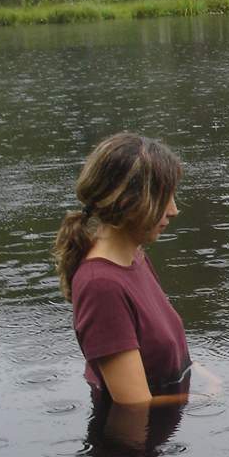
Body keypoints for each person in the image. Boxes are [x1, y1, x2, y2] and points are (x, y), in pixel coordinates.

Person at [52, 132, 195, 408]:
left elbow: (160, 347)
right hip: (134, 435)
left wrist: (204, 374)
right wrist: (211, 398)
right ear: (129, 202)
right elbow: (134, 406)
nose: (174, 210)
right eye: (163, 197)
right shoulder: (101, 286)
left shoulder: (135, 258)